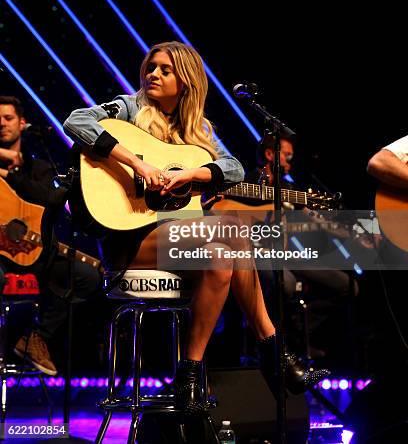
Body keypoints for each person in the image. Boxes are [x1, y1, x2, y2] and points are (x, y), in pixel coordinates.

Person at [63, 41, 329, 413]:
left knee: (221, 259)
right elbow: (76, 121)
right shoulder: (128, 108)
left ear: (186, 81)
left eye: (165, 70)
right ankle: (275, 352)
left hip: (179, 236)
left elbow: (233, 168)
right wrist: (139, 166)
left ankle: (188, 378)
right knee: (234, 230)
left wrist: (192, 173)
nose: (153, 74)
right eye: (151, 67)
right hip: (131, 238)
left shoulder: (196, 129)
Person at [0, 95, 101, 375]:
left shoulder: (39, 169)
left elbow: (49, 200)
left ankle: (37, 337)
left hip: (35, 253)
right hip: (1, 257)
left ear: (22, 123)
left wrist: (14, 171)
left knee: (86, 277)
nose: (1, 124)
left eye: (7, 118)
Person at [246, 133, 358, 361]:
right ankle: (272, 345)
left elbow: (317, 218)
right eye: (287, 156)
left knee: (347, 285)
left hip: (285, 255)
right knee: (285, 284)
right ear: (270, 155)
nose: (290, 162)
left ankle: (300, 336)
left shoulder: (289, 189)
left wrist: (353, 233)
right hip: (255, 253)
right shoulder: (248, 182)